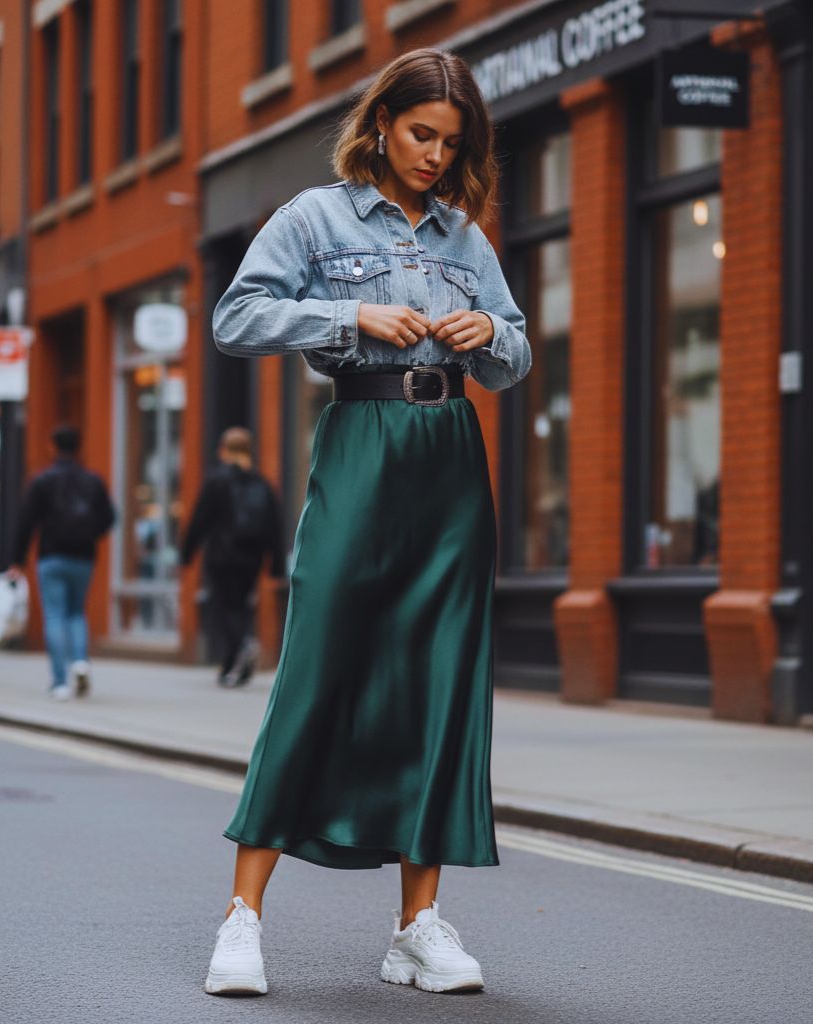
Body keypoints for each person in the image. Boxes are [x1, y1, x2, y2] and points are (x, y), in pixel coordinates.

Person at [201, 48, 531, 998]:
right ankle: (242, 918)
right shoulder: (315, 215)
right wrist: (349, 317)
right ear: (381, 121)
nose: (433, 156)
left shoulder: (467, 238)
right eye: (421, 133)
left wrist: (489, 337)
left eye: (450, 143)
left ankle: (417, 925)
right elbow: (237, 317)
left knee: (441, 684)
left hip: (449, 459)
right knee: (318, 666)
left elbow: (513, 354)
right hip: (360, 444)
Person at [9, 425, 115, 700]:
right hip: (83, 556)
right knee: (77, 612)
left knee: (55, 614)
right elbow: (109, 517)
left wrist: (16, 560)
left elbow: (25, 522)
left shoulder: (43, 480)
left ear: (52, 446)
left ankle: (60, 682)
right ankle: (80, 661)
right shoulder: (93, 481)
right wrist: (91, 534)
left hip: (52, 556)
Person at [180, 427, 286, 688]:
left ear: (224, 449)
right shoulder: (261, 482)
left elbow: (200, 519)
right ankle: (232, 664)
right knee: (240, 605)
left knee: (224, 607)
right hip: (252, 557)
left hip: (222, 555)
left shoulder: (217, 480)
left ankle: (240, 648)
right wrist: (277, 565)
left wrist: (186, 552)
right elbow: (275, 525)